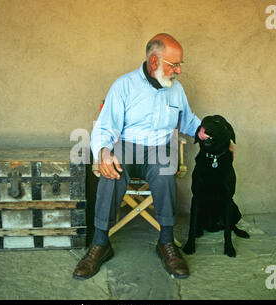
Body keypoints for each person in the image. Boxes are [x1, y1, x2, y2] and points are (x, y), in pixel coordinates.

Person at [73, 33, 222, 280]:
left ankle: (165, 242)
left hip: (158, 147)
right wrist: (103, 152)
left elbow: (187, 119)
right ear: (154, 62)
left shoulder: (176, 89)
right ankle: (100, 244)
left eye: (179, 65)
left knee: (165, 172)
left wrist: (204, 132)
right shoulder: (124, 85)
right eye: (173, 65)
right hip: (127, 146)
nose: (178, 71)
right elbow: (105, 126)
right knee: (111, 172)